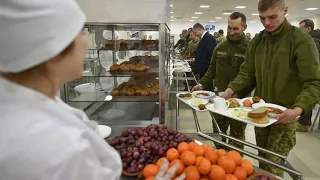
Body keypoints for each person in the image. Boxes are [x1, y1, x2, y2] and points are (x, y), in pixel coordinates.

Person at [0, 1, 183, 180]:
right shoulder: (53, 147)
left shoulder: (32, 103)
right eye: (81, 33)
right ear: (55, 50)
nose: (87, 42)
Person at [222, 0, 320, 177]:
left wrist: (298, 109)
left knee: (273, 167)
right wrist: (231, 89)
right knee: (263, 160)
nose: (267, 23)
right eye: (262, 18)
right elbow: (247, 73)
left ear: (285, 11)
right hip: (262, 114)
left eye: (272, 17)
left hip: (286, 116)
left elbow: (314, 82)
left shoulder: (301, 41)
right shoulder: (258, 41)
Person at [192, 12, 251, 149]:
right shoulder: (220, 47)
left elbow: (251, 76)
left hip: (239, 100)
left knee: (237, 137)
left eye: (235, 29)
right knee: (218, 133)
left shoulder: (250, 48)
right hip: (219, 98)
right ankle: (220, 158)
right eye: (229, 28)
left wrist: (239, 92)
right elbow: (212, 70)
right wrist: (202, 84)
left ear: (244, 27)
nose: (231, 32)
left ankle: (235, 162)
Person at [297, 19, 320, 132]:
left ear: (308, 29)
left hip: (313, 75)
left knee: (307, 95)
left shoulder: (311, 41)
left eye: (301, 29)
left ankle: (303, 123)